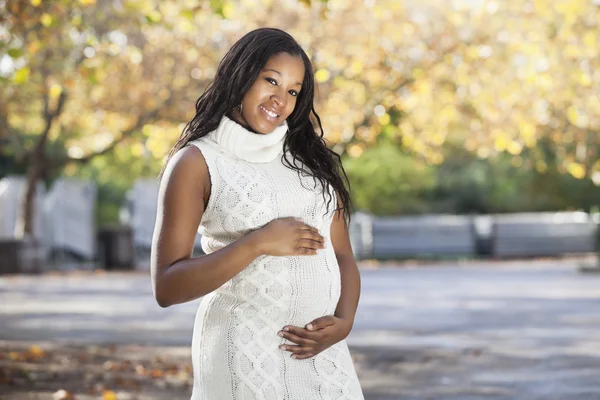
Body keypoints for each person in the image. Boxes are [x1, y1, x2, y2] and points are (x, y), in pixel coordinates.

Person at [151, 27, 364, 399]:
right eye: (271, 81)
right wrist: (259, 242)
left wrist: (344, 321)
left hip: (322, 354)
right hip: (243, 354)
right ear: (241, 74)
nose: (280, 99)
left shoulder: (310, 163)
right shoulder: (198, 162)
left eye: (293, 91)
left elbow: (342, 254)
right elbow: (167, 287)